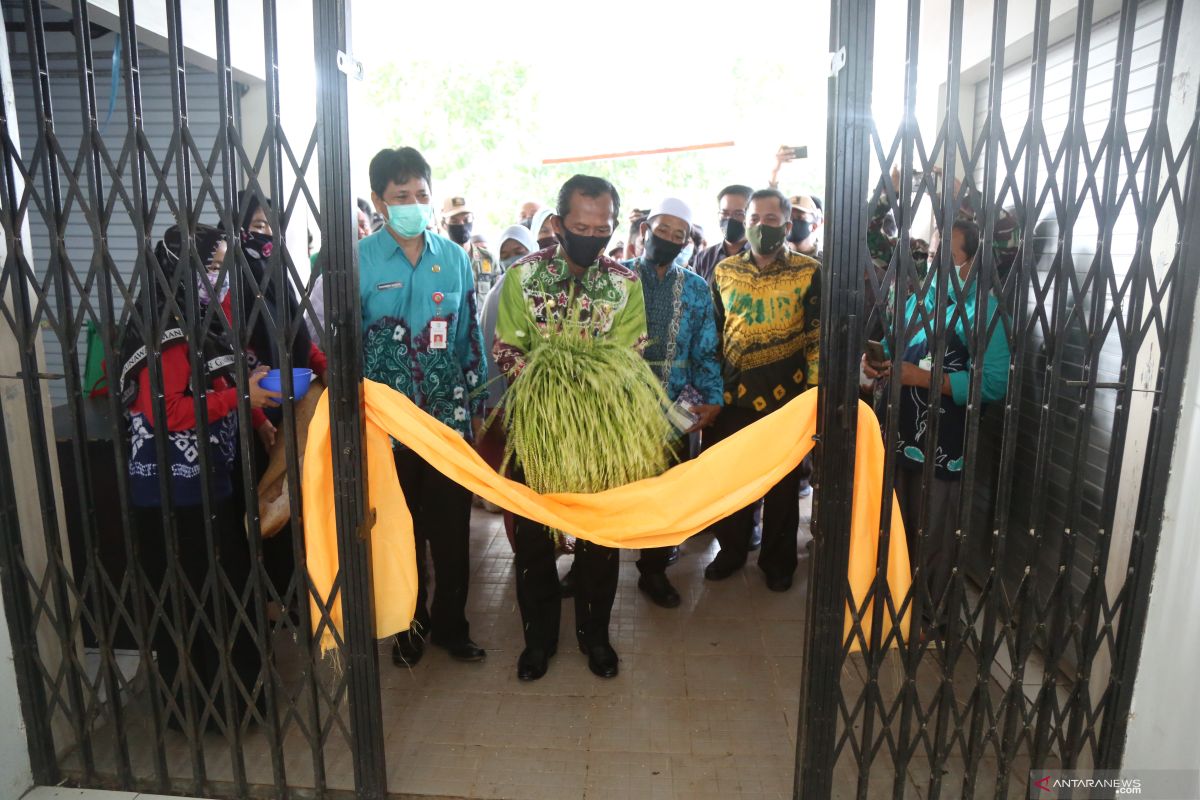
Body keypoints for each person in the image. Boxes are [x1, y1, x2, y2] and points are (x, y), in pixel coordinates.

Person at [119, 224, 278, 731]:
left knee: (225, 591)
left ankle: (236, 702)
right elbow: (170, 412)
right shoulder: (164, 329)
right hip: (176, 492)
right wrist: (244, 400)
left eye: (223, 267)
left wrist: (258, 420)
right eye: (211, 267)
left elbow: (223, 380)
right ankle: (203, 709)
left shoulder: (200, 323)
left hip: (209, 480)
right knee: (196, 598)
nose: (220, 277)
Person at [493, 174, 646, 681]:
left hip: (601, 437)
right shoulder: (522, 277)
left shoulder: (625, 284)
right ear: (559, 223)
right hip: (537, 434)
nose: (591, 235)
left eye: (602, 227)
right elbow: (508, 349)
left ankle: (595, 638)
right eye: (580, 225)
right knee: (535, 547)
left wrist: (586, 392)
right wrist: (549, 384)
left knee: (601, 546)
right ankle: (538, 641)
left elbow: (630, 357)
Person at [361, 147, 487, 667]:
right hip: (386, 427)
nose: (413, 204)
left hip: (446, 423)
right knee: (401, 531)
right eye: (400, 196)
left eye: (421, 195)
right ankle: (409, 625)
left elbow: (468, 337)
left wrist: (477, 403)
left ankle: (452, 626)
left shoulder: (454, 258)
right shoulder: (358, 261)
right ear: (378, 201)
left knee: (453, 533)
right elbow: (339, 345)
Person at [862, 219, 1010, 632]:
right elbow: (893, 350)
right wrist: (875, 364)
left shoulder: (985, 310)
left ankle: (930, 615)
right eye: (931, 254)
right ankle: (893, 600)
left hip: (944, 446)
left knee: (935, 535)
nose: (934, 263)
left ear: (970, 262)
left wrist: (924, 379)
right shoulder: (916, 303)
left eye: (946, 254)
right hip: (899, 434)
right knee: (896, 525)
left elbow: (994, 383)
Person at [706, 189, 821, 591]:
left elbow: (816, 336)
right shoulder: (724, 271)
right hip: (733, 396)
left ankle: (777, 562)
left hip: (788, 399)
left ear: (787, 226)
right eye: (754, 219)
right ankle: (732, 551)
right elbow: (711, 335)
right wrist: (709, 391)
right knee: (732, 480)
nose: (760, 227)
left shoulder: (809, 271)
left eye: (771, 220)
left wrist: (814, 394)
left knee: (783, 487)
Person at [221, 191, 329, 618]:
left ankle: (291, 595)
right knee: (257, 504)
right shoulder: (226, 283)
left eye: (270, 227)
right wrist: (256, 417)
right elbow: (226, 357)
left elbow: (298, 335)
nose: (264, 235)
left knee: (287, 501)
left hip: (286, 408)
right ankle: (261, 598)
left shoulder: (276, 275)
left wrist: (326, 369)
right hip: (248, 417)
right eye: (256, 226)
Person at [623, 198, 723, 608]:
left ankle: (653, 571)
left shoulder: (697, 288)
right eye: (661, 230)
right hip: (617, 405)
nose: (667, 239)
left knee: (665, 492)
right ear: (646, 230)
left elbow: (707, 350)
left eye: (677, 235)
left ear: (687, 242)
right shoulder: (615, 278)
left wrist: (712, 398)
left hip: (673, 404)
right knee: (609, 485)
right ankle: (589, 565)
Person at [475, 224, 538, 531]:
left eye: (520, 252)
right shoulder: (501, 293)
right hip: (506, 407)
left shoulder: (539, 291)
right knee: (518, 488)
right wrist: (497, 409)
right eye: (506, 254)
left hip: (534, 408)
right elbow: (491, 356)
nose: (513, 260)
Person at [441, 195, 500, 299]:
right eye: (454, 221)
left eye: (466, 219)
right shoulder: (437, 260)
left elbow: (498, 299)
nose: (462, 224)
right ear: (444, 224)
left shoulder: (488, 258)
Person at [693, 184, 752, 283]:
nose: (730, 219)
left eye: (739, 214)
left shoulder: (763, 258)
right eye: (724, 213)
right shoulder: (704, 258)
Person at [786, 194, 823, 260]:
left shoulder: (825, 259)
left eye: (799, 217)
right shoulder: (776, 256)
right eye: (788, 217)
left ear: (814, 225)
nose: (792, 222)